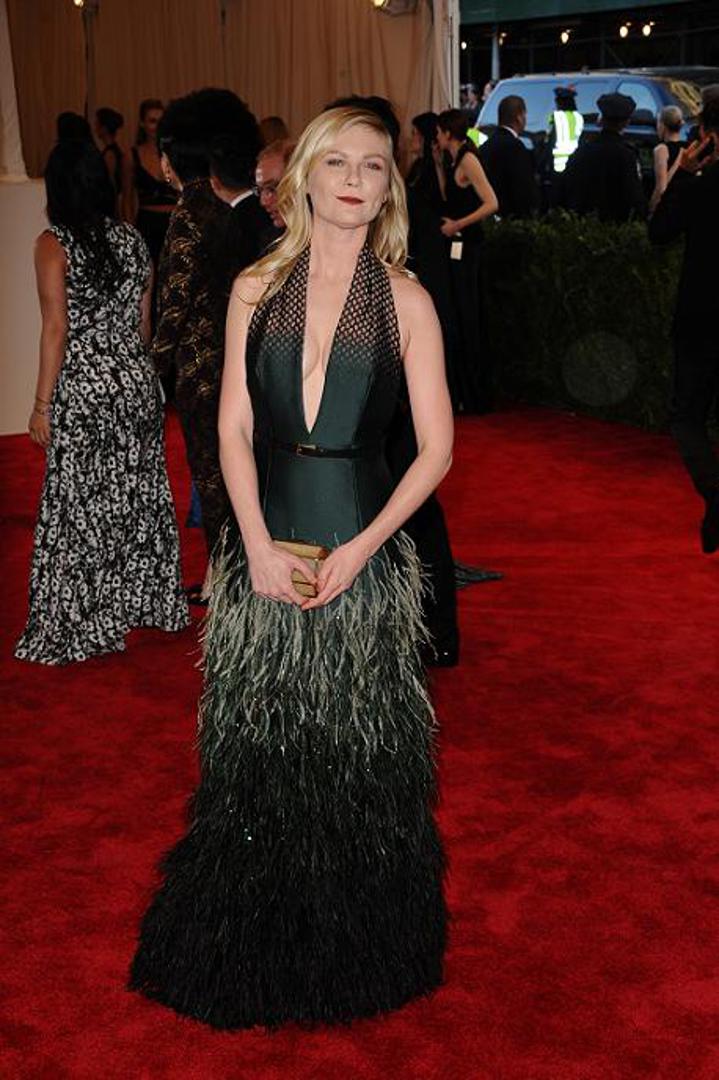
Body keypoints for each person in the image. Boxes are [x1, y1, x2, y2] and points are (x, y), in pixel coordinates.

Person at [130, 104, 451, 1028]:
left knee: (357, 757)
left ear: (388, 190)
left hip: (359, 552)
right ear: (302, 177)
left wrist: (363, 547)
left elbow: (435, 449)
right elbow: (231, 425)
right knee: (257, 756)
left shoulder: (406, 301)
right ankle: (251, 946)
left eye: (374, 166)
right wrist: (254, 545)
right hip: (261, 550)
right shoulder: (253, 287)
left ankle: (355, 952)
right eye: (337, 162)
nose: (354, 179)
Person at [15, 140, 188, 665]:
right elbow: (143, 322)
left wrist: (41, 404)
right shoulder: (132, 238)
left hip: (87, 387)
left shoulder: (54, 244)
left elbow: (56, 327)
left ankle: (83, 619)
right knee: (137, 494)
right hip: (135, 382)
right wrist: (136, 375)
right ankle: (142, 601)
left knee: (80, 503)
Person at [152, 89, 255, 598]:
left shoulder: (187, 212)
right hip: (233, 362)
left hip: (200, 370)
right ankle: (226, 577)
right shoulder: (220, 208)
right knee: (231, 475)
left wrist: (152, 369)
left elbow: (174, 303)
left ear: (172, 158)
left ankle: (228, 583)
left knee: (212, 479)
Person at [648, 97, 719, 554]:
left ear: (707, 136)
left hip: (701, 320)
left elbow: (658, 232)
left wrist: (683, 174)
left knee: (687, 417)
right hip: (701, 321)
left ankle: (715, 494)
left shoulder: (700, 186)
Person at [436, 108, 499, 413]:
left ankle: (474, 393)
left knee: (469, 315)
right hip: (458, 246)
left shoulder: (468, 160)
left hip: (469, 247)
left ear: (448, 133)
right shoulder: (453, 160)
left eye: (439, 132)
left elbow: (492, 203)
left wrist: (458, 225)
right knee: (461, 315)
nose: (436, 137)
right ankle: (464, 391)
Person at [561, 92, 647, 223]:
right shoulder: (627, 155)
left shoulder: (583, 151)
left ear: (600, 120)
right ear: (626, 122)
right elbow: (633, 194)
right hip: (616, 225)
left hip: (585, 224)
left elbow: (568, 186)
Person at [122, 99, 177, 268]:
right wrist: (131, 232)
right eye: (152, 121)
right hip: (146, 224)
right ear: (142, 124)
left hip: (174, 223)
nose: (157, 126)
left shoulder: (175, 154)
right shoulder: (131, 155)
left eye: (161, 121)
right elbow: (127, 199)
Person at [478, 94, 539, 219]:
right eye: (525, 115)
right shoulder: (516, 147)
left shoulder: (486, 145)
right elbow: (523, 188)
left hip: (489, 216)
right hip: (510, 219)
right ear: (519, 117)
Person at [649, 105, 684, 214]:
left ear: (663, 125)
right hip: (684, 204)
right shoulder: (689, 147)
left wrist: (651, 209)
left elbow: (661, 187)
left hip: (669, 206)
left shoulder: (661, 149)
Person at [547, 86, 584, 175]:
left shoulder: (557, 117)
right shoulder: (578, 117)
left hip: (558, 165)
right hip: (576, 162)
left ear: (559, 103)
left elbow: (551, 142)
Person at [94, 107, 124, 205]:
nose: (95, 128)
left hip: (110, 202)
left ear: (104, 128)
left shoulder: (110, 153)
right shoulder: (112, 150)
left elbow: (111, 183)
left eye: (97, 125)